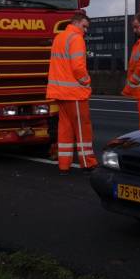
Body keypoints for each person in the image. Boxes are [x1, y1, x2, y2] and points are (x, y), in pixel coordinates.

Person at [46, 10, 98, 174]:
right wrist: (86, 81)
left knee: (65, 128)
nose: (85, 30)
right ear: (76, 23)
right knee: (83, 128)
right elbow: (77, 67)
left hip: (60, 92)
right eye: (84, 26)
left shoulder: (59, 38)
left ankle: (64, 164)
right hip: (74, 92)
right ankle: (87, 162)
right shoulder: (76, 39)